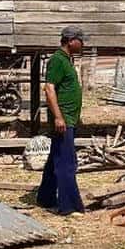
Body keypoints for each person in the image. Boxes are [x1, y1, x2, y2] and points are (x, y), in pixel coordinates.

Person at [36, 25, 87, 216]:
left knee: (55, 159)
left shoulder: (66, 60)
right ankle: (69, 206)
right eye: (80, 40)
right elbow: (49, 89)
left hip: (68, 118)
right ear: (71, 41)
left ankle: (45, 198)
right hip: (63, 119)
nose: (82, 44)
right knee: (67, 163)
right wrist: (58, 117)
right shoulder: (57, 60)